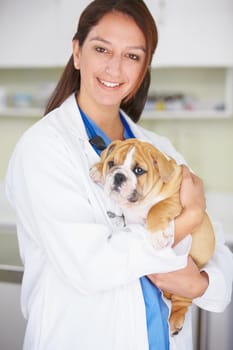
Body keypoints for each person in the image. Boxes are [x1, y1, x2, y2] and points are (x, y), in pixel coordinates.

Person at [5, 1, 233, 349]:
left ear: (144, 69)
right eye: (101, 49)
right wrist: (185, 220)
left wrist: (200, 285)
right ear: (77, 53)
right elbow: (91, 266)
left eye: (132, 56)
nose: (114, 67)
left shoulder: (160, 149)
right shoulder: (43, 148)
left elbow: (216, 247)